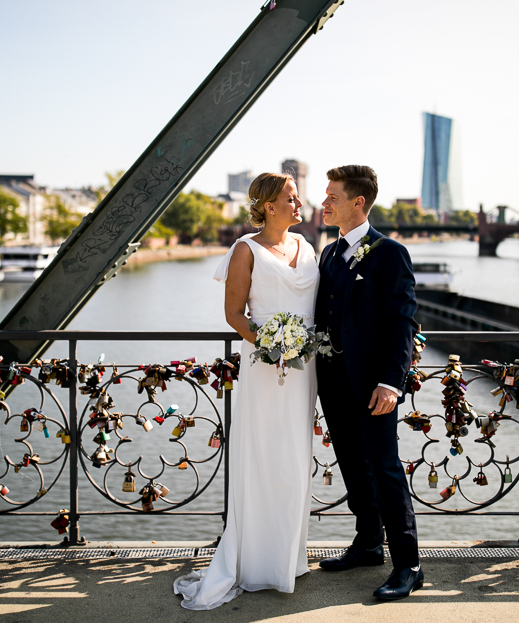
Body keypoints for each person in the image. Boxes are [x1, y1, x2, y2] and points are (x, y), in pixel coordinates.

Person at [174, 173, 319, 610]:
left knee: (294, 459)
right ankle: (254, 562)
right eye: (291, 198)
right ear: (269, 206)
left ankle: (286, 559)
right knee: (262, 456)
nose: (300, 204)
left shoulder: (308, 248)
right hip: (265, 368)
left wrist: (300, 347)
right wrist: (274, 345)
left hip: (303, 371)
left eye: (298, 197)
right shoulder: (245, 249)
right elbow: (234, 313)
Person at [314, 165, 422, 600]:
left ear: (358, 202)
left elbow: (403, 323)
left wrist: (392, 382)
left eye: (332, 196)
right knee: (352, 464)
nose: (324, 203)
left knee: (386, 469)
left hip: (375, 384)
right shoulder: (328, 252)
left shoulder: (390, 253)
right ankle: (368, 544)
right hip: (333, 379)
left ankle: (409, 565)